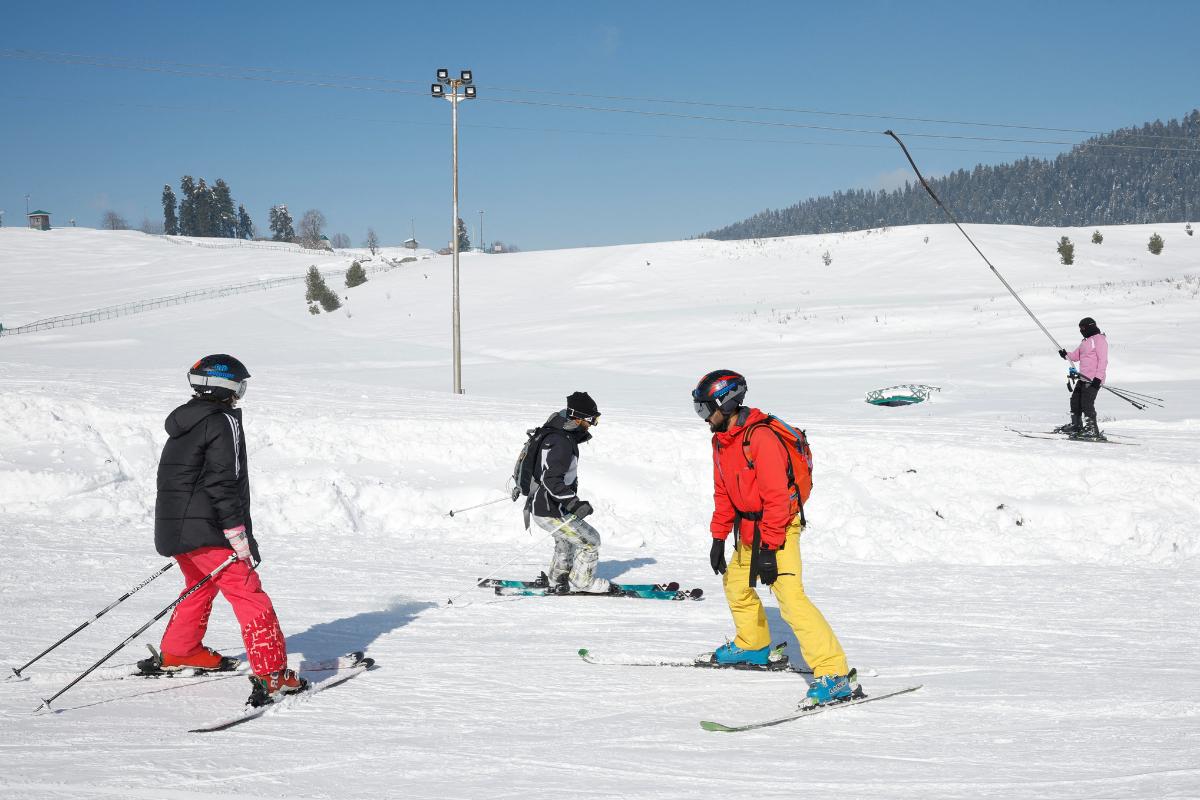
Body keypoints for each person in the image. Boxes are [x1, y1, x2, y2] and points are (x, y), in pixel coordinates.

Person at [147, 354, 307, 707]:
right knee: (249, 593)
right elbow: (224, 483)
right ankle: (273, 674)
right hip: (210, 530)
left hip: (176, 530)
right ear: (226, 387)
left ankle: (181, 650)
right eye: (240, 385)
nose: (241, 393)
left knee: (199, 586)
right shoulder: (222, 422)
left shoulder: (185, 422)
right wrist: (238, 536)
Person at [693, 370, 854, 707]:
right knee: (736, 584)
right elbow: (723, 492)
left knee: (791, 599)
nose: (704, 418)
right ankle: (753, 644)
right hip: (749, 529)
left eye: (706, 409)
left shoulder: (760, 438)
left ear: (726, 402)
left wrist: (768, 548)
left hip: (778, 528)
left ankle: (835, 674)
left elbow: (777, 500)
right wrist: (718, 536)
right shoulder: (722, 440)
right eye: (699, 410)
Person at [526, 391, 610, 594]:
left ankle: (557, 579)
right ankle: (583, 582)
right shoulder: (561, 442)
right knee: (591, 541)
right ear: (578, 417)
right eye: (592, 419)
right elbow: (550, 479)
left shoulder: (558, 434)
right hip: (549, 509)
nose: (592, 424)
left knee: (566, 539)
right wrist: (574, 503)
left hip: (546, 506)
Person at [1057, 317, 1109, 440]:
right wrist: (1066, 355)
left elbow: (1103, 361)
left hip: (1093, 379)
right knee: (1075, 401)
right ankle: (1077, 425)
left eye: (1083, 328)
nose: (1081, 330)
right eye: (1080, 328)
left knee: (1087, 403)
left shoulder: (1099, 340)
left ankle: (1092, 429)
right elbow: (1075, 356)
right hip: (1083, 378)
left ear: (1090, 326)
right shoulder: (1085, 342)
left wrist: (1098, 378)